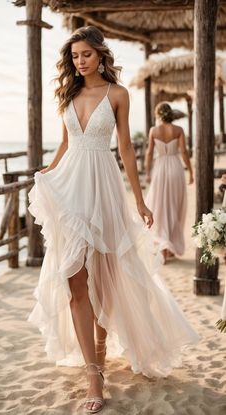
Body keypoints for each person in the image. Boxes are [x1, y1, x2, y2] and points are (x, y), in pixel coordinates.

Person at [28, 27, 199, 413]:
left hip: (103, 187)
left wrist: (139, 200)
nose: (80, 61)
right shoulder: (69, 95)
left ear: (101, 55)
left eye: (86, 54)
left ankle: (102, 351)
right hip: (72, 187)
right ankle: (92, 373)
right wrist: (47, 172)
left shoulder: (118, 94)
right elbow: (67, 143)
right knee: (73, 278)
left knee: (105, 278)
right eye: (74, 56)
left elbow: (124, 146)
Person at [145, 102, 194, 264]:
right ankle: (168, 246)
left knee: (159, 208)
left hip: (160, 169)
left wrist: (147, 172)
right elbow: (184, 152)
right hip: (175, 168)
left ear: (158, 114)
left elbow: (149, 153)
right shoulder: (178, 130)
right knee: (174, 206)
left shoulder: (154, 131)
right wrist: (191, 171)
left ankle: (164, 250)